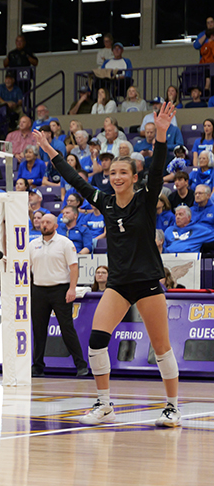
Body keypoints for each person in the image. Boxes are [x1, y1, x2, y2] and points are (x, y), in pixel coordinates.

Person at [34, 102, 183, 427]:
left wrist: (160, 132)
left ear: (134, 177)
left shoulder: (145, 198)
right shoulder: (103, 201)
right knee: (97, 343)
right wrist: (49, 150)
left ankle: (172, 407)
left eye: (123, 173)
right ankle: (104, 404)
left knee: (162, 349)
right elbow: (75, 179)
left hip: (146, 282)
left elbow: (158, 167)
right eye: (113, 172)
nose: (116, 177)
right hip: (117, 283)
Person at [27, 213, 87, 377]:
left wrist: (72, 289)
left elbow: (74, 267)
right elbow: (26, 268)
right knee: (38, 330)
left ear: (55, 226)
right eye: (42, 222)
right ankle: (37, 366)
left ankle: (81, 365)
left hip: (60, 289)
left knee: (67, 328)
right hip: (38, 290)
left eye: (47, 222)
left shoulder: (65, 243)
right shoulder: (32, 244)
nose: (43, 224)